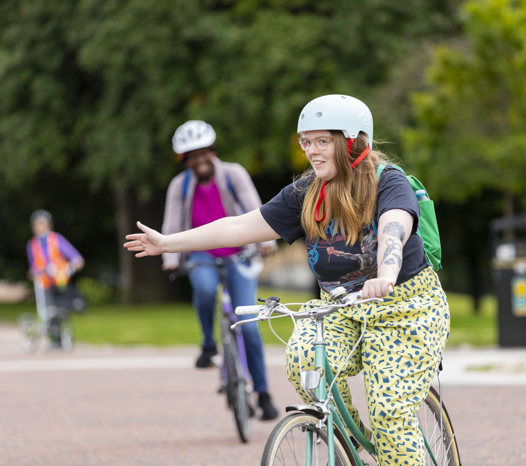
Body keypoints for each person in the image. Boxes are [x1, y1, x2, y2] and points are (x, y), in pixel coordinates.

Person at [125, 95, 451, 465]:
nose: (311, 151)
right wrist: (168, 242)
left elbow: (395, 226)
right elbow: (239, 226)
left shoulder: (386, 181)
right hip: (342, 308)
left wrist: (386, 274)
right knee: (302, 357)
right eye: (306, 142)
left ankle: (388, 435)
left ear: (352, 141)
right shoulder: (307, 191)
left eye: (321, 141)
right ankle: (352, 438)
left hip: (403, 309)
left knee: (390, 413)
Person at [163, 120, 279, 420]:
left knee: (250, 326)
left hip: (241, 252)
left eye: (204, 153)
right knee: (202, 289)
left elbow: (257, 209)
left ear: (212, 151)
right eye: (192, 156)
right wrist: (170, 257)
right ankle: (208, 344)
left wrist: (266, 241)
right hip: (201, 253)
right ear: (184, 160)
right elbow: (173, 222)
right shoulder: (180, 186)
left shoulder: (233, 174)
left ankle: (263, 393)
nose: (200, 160)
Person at [26, 209, 85, 347]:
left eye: (43, 224)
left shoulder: (56, 239)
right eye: (37, 224)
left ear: (48, 225)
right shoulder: (32, 244)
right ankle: (54, 339)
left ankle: (61, 337)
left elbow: (75, 257)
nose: (40, 227)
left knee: (61, 309)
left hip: (59, 281)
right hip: (44, 283)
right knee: (48, 311)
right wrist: (38, 272)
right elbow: (33, 267)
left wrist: (74, 264)